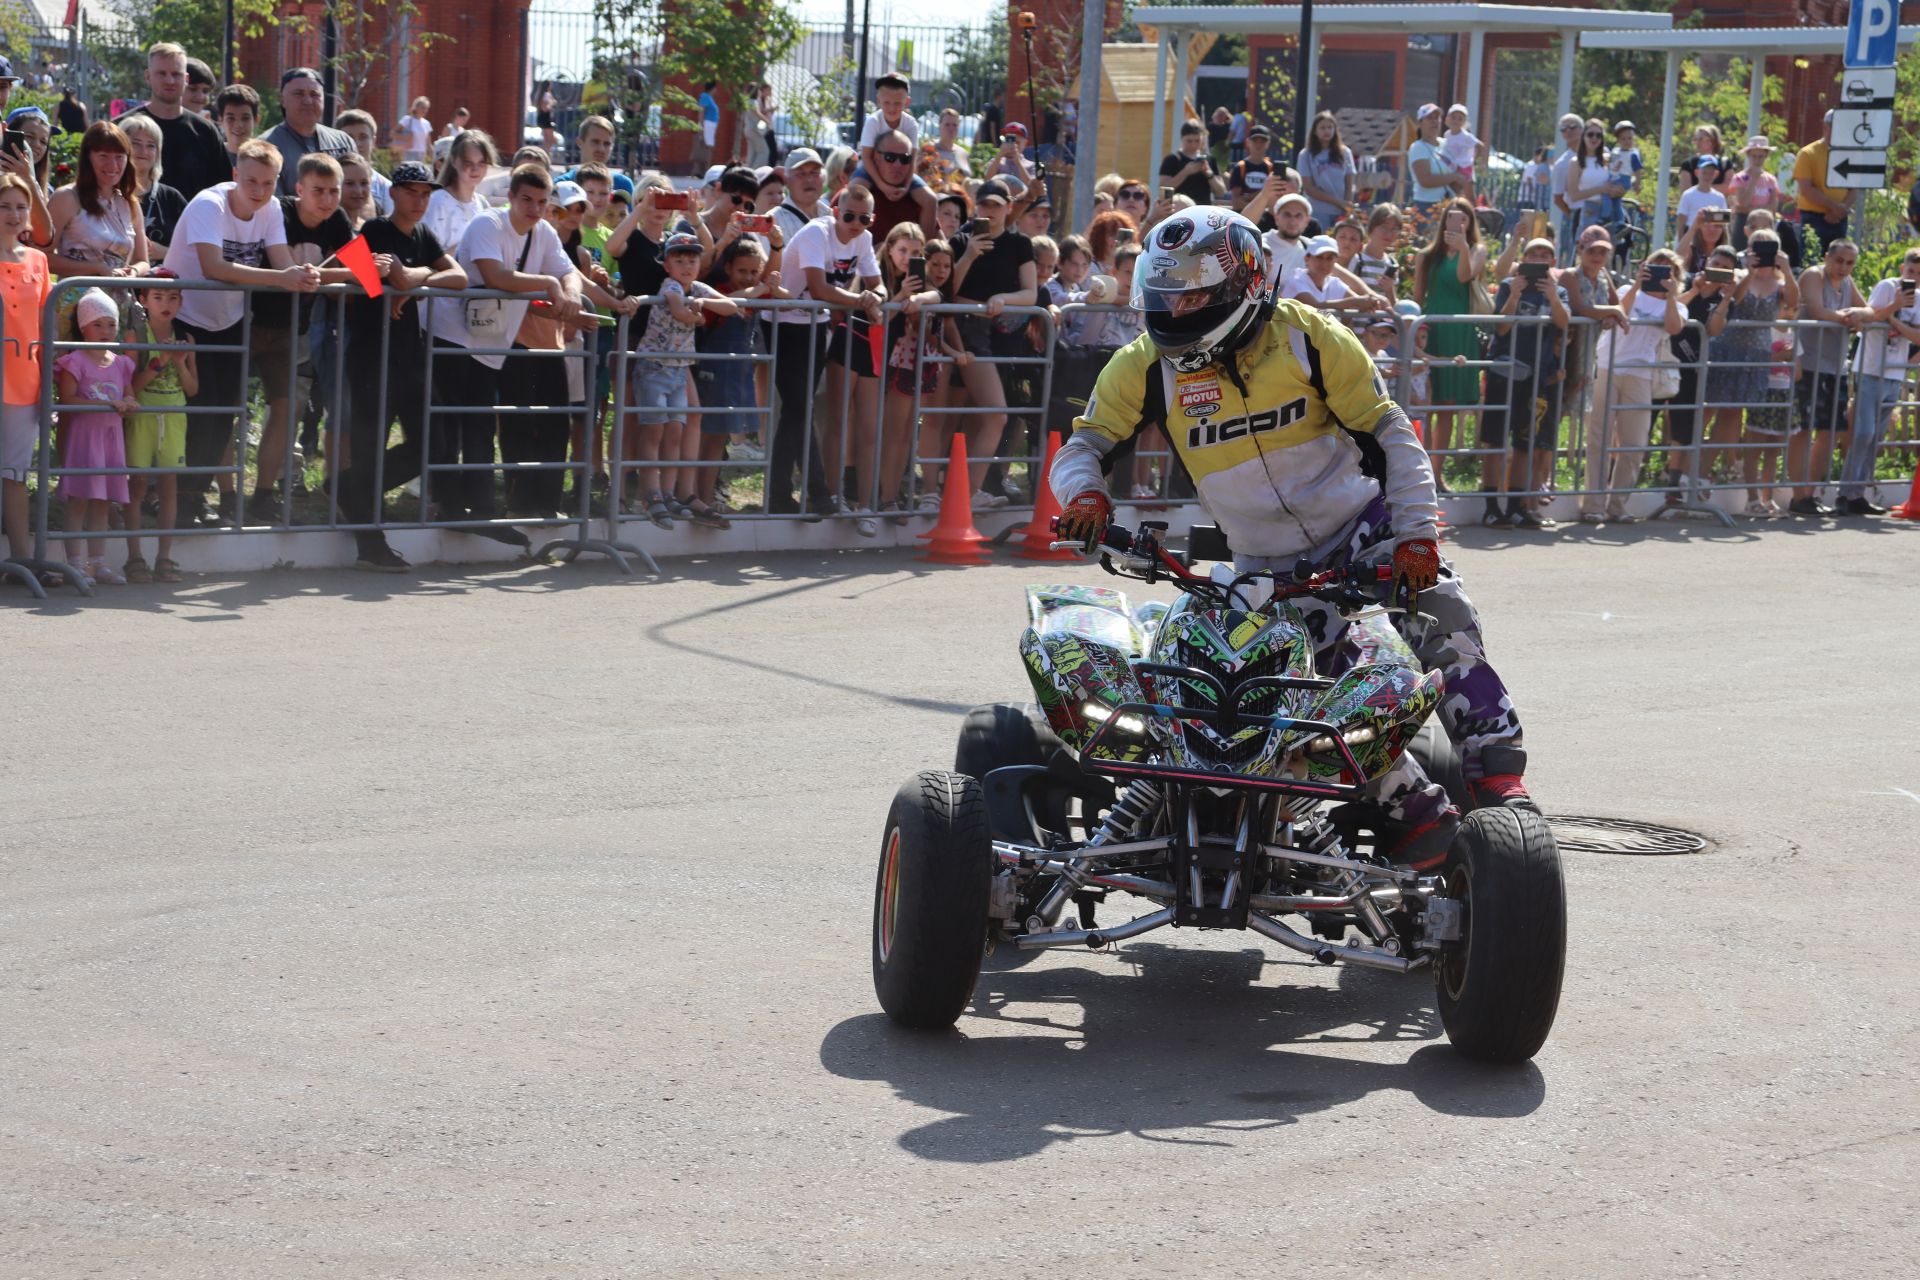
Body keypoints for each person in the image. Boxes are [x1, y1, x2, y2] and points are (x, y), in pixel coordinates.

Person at [1052, 206, 1535, 840]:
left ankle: (1498, 774)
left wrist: (1417, 533)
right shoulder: (1144, 364)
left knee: (1442, 610)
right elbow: (1082, 446)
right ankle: (1424, 823)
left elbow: (1392, 435)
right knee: (1303, 708)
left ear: (1243, 284)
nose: (1176, 311)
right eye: (1165, 296)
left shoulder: (1311, 336)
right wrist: (1085, 496)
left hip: (1364, 525)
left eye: (1193, 295)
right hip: (1263, 563)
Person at [162, 138, 322, 525]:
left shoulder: (269, 210)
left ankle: (196, 498)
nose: (260, 192)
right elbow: (213, 266)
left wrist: (302, 274)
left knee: (224, 413)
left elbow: (283, 261)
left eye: (268, 184)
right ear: (235, 175)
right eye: (251, 182)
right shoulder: (208, 205)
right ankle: (179, 502)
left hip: (230, 321)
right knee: (198, 411)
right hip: (186, 317)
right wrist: (282, 277)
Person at [337, 161, 468, 571]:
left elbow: (460, 277)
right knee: (368, 448)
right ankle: (369, 543)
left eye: (426, 193)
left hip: (409, 354)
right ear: (392, 193)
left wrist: (415, 278)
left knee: (435, 443)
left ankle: (345, 489)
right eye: (411, 191)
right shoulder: (375, 231)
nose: (419, 200)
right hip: (371, 355)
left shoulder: (424, 235)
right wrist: (399, 285)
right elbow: (359, 280)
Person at [247, 153, 356, 520]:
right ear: (298, 189)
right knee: (228, 408)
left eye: (333, 191)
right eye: (318, 191)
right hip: (248, 319)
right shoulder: (278, 212)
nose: (327, 200)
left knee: (285, 411)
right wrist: (331, 276)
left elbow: (362, 275)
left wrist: (333, 276)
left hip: (293, 329)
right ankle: (214, 494)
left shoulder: (338, 220)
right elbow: (292, 274)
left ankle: (263, 495)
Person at [628, 229, 733, 526]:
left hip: (677, 369)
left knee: (674, 431)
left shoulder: (696, 288)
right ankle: (651, 493)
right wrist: (697, 315)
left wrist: (704, 304)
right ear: (667, 265)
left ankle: (669, 493)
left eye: (692, 260)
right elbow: (678, 312)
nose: (687, 266)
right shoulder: (670, 286)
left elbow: (731, 306)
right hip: (654, 367)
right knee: (655, 430)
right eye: (680, 260)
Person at [1580, 249, 1685, 522]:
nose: (1660, 272)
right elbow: (1619, 313)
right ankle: (1593, 504)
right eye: (1655, 266)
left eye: (1667, 268)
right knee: (1599, 437)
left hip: (1641, 374)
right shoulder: (1629, 289)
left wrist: (1671, 295)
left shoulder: (1677, 304)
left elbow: (1674, 327)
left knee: (1634, 443)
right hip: (1608, 366)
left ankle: (1618, 505)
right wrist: (1638, 284)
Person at [949, 178, 1036, 506]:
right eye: (984, 204)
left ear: (1009, 207)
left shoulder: (1019, 244)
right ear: (976, 205)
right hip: (963, 331)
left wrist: (1003, 298)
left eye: (997, 205)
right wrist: (969, 254)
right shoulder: (960, 240)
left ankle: (966, 492)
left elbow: (1030, 293)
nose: (990, 211)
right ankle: (962, 494)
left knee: (982, 416)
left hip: (1001, 336)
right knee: (985, 415)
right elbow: (946, 290)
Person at [1480, 237, 1568, 528]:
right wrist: (1514, 296)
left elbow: (1564, 323)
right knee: (1495, 442)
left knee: (1524, 444)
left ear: (1552, 262)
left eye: (1545, 255)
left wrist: (1554, 297)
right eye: (1533, 254)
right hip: (1504, 373)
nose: (1539, 259)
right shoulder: (1508, 285)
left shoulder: (1558, 290)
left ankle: (1517, 506)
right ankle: (1492, 507)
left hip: (1537, 377)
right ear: (1524, 259)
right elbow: (1502, 328)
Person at [52, 288, 135, 583]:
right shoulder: (74, 360)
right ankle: (74, 563)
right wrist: (105, 404)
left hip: (111, 441)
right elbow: (67, 399)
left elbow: (130, 396)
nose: (105, 330)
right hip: (84, 440)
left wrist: (129, 404)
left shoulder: (122, 363)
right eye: (97, 324)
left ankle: (98, 562)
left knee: (103, 501)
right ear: (83, 327)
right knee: (79, 500)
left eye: (111, 324)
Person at [695, 237, 780, 522]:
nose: (750, 277)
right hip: (715, 372)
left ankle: (705, 499)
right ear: (728, 268)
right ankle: (694, 497)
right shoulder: (718, 291)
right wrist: (761, 286)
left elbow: (772, 286)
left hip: (737, 374)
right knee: (703, 438)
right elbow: (734, 300)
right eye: (743, 271)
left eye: (755, 272)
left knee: (718, 441)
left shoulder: (757, 290)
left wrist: (776, 250)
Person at [123, 269, 196, 582]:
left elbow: (192, 390)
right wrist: (160, 361)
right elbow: (130, 388)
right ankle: (134, 558)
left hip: (175, 416)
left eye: (173, 297)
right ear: (144, 300)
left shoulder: (187, 337)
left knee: (169, 487)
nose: (166, 303)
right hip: (143, 415)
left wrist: (179, 363)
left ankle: (165, 558)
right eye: (158, 297)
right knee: (137, 486)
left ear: (181, 301)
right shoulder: (134, 336)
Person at [1835, 247, 1920, 516]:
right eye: (1910, 271)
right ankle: (1845, 492)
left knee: (1876, 436)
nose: (1914, 277)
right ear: (1902, 270)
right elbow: (1869, 318)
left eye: (1918, 273)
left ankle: (1859, 492)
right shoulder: (1887, 287)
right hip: (1871, 369)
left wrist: (1894, 320)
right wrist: (1894, 307)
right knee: (1863, 432)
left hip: (1894, 372)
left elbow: (1916, 337)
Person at [1789, 238, 1869, 516]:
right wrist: (1850, 317)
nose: (1844, 267)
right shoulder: (1813, 275)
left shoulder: (1847, 282)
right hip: (1809, 363)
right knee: (1801, 430)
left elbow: (1867, 309)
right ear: (1827, 257)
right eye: (1839, 261)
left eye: (1849, 263)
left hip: (1836, 367)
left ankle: (1809, 494)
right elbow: (1816, 310)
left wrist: (1858, 313)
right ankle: (1798, 495)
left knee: (1831, 432)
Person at [1409, 198, 1485, 489]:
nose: (1458, 224)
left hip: (1459, 334)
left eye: (1464, 220)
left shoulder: (1477, 249)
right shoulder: (1427, 256)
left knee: (1448, 408)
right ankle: (1420, 474)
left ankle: (1436, 475)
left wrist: (1464, 246)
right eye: (1454, 219)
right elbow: (1417, 297)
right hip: (1431, 333)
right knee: (1427, 406)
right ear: (1444, 222)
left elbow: (1465, 276)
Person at [0, 172, 48, 567]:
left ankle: (20, 559)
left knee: (16, 475)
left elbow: (47, 326)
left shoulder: (38, 259)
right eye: (5, 206)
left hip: (24, 383)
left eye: (20, 206)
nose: (14, 214)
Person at [116, 44, 225, 206]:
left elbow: (222, 190)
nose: (169, 80)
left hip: (193, 228)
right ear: (148, 77)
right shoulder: (122, 129)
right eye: (161, 73)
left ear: (186, 79)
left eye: (176, 74)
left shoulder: (205, 132)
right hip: (129, 226)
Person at [47, 121, 149, 284]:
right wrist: (96, 268)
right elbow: (43, 256)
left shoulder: (129, 203)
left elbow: (143, 261)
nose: (113, 165)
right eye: (103, 156)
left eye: (119, 157)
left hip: (120, 299)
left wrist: (134, 271)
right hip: (75, 301)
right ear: (88, 158)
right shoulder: (66, 197)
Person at [264, 68, 355, 199]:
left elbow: (362, 194)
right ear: (282, 100)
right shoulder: (267, 147)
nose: (307, 101)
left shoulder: (343, 142)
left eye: (314, 94)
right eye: (299, 94)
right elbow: (273, 206)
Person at [852, 127, 938, 242]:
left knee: (931, 199)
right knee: (853, 195)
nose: (898, 164)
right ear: (876, 158)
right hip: (863, 257)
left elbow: (940, 246)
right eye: (890, 157)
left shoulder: (920, 204)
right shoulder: (874, 123)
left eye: (904, 159)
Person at [425, 129, 496, 252]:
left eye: (481, 163)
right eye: (468, 163)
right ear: (453, 161)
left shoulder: (483, 204)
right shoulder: (437, 201)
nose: (475, 169)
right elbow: (428, 256)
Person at [1794, 113, 1855, 253]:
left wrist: (1841, 210)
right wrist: (1834, 206)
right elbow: (1806, 189)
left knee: (1839, 263)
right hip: (1813, 218)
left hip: (1840, 218)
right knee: (1811, 260)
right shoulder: (1808, 153)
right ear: (1826, 127)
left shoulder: (1848, 154)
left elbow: (1854, 188)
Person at [1406, 103, 1468, 215]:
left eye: (1437, 117)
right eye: (1429, 118)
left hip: (1449, 204)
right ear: (1420, 123)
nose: (1435, 121)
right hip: (1426, 206)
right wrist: (1454, 177)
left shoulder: (1446, 144)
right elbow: (1425, 180)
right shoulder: (1418, 147)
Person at [1296, 111, 1354, 228]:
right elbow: (1309, 188)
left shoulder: (1345, 152)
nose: (1327, 131)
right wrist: (1338, 202)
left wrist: (1347, 206)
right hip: (1318, 211)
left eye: (1330, 127)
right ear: (1315, 131)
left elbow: (1349, 181)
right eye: (1322, 128)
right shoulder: (1306, 155)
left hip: (1341, 212)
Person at [558, 116, 635, 197]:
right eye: (595, 142)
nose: (601, 149)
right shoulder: (562, 184)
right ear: (580, 143)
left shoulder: (623, 185)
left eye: (607, 144)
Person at [333, 110, 391, 214]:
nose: (356, 143)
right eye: (349, 137)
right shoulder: (327, 183)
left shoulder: (386, 189)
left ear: (373, 141)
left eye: (363, 137)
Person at [859, 74, 919, 175]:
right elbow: (866, 159)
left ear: (907, 102)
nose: (892, 108)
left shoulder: (911, 124)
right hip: (872, 171)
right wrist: (883, 186)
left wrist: (906, 186)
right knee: (856, 185)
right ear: (879, 100)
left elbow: (912, 160)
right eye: (887, 103)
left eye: (897, 103)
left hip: (900, 172)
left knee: (924, 191)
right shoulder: (873, 122)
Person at [1158, 120, 1223, 206]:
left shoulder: (1209, 160)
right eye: (1189, 141)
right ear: (1182, 139)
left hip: (1202, 209)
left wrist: (1209, 174)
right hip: (1179, 210)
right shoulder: (1172, 159)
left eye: (1197, 141)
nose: (1193, 145)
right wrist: (1185, 172)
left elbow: (1221, 192)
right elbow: (1164, 189)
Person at [1548, 112, 1584, 263]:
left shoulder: (1601, 154)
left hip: (1601, 211)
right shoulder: (1562, 164)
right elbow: (1558, 198)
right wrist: (1573, 215)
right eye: (1563, 129)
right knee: (1573, 256)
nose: (1568, 131)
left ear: (1582, 129)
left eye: (1572, 127)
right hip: (1577, 213)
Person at [1728, 135, 1781, 233]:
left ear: (1766, 156)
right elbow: (1742, 204)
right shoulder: (1739, 178)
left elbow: (1773, 206)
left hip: (1765, 223)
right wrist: (1753, 180)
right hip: (1744, 222)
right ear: (1748, 155)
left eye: (1761, 156)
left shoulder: (1771, 179)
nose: (1757, 160)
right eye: (1754, 156)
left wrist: (1750, 209)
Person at [1438, 103, 1485, 201]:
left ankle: (1473, 213)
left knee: (1469, 196)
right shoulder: (1447, 134)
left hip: (1465, 168)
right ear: (1447, 119)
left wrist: (1473, 160)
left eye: (1460, 119)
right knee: (1455, 195)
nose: (1456, 121)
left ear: (1464, 122)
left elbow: (1480, 146)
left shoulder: (1466, 136)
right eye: (1454, 117)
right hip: (1452, 167)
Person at [1228, 123, 1276, 211]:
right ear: (1248, 142)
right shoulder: (1240, 167)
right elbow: (1236, 202)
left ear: (1268, 143)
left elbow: (1274, 201)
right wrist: (1258, 204)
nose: (1258, 144)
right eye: (1255, 140)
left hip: (1266, 219)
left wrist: (1249, 197)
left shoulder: (1271, 169)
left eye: (1262, 141)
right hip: (1243, 217)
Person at [919, 107, 970, 190]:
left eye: (955, 125)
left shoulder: (963, 153)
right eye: (947, 125)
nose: (951, 129)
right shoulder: (929, 149)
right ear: (939, 126)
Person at [1675, 155, 1728, 233]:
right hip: (1690, 239)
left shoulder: (1720, 197)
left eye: (1711, 173)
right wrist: (1681, 242)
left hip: (1710, 239)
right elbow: (1681, 221)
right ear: (1697, 172)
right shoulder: (1687, 195)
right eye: (1704, 173)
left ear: (1716, 174)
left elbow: (1723, 224)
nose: (1707, 176)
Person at [213, 82, 258, 168]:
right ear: (220, 120)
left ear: (256, 120)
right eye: (231, 118)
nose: (238, 125)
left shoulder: (265, 159)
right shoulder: (212, 158)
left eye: (245, 118)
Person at [396, 96, 433, 164]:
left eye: (426, 108)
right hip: (408, 153)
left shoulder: (426, 123)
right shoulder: (407, 120)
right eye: (422, 108)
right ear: (416, 107)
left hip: (421, 154)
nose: (425, 110)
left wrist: (433, 157)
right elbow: (394, 133)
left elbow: (428, 143)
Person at [694, 80, 719, 173]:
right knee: (707, 146)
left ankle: (703, 169)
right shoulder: (705, 96)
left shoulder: (710, 97)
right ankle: (705, 169)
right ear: (712, 88)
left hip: (711, 124)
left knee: (708, 145)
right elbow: (701, 111)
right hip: (707, 123)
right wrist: (701, 126)